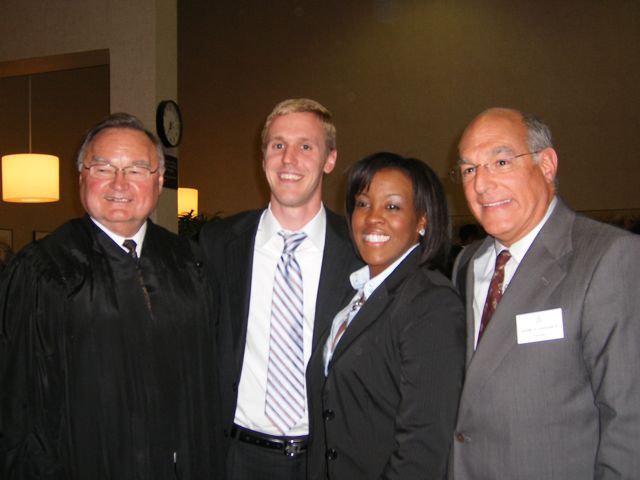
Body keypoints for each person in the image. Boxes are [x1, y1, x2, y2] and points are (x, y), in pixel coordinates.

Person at [0, 113, 220, 479]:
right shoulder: (42, 270)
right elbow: (16, 404)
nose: (120, 183)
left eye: (136, 169)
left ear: (159, 180)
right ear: (82, 177)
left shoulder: (187, 260)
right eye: (103, 168)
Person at [449, 107, 640, 479]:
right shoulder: (468, 264)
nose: (482, 184)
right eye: (469, 169)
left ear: (547, 165)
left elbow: (630, 419)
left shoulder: (608, 257)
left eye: (500, 161)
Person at [199, 98, 361, 480]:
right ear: (263, 157)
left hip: (326, 459)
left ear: (330, 159)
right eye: (277, 145)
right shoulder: (219, 243)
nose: (289, 159)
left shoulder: (359, 250)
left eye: (306, 146)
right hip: (237, 458)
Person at [307, 152, 466, 479]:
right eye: (363, 204)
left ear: (422, 220)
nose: (372, 218)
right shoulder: (355, 292)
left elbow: (423, 445)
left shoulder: (430, 303)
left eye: (392, 207)